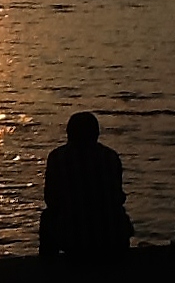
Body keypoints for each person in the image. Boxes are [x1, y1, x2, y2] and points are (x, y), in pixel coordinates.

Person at [40, 111, 133, 262]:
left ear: (69, 133)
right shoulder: (110, 156)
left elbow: (51, 199)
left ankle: (48, 266)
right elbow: (118, 197)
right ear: (96, 133)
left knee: (47, 217)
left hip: (72, 237)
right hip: (110, 235)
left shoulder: (58, 157)